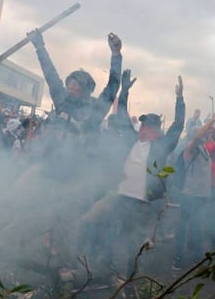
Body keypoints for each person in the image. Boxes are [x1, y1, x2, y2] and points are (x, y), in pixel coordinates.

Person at [78, 73, 185, 279]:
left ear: (157, 132)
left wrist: (179, 99)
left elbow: (178, 126)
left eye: (149, 127)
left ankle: (128, 279)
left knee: (131, 243)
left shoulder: (161, 147)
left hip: (142, 203)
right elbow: (122, 115)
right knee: (92, 220)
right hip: (119, 196)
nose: (144, 129)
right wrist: (125, 90)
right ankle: (104, 263)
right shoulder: (131, 141)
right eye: (143, 125)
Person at [26, 29, 122, 147]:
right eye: (70, 83)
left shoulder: (95, 109)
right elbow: (50, 74)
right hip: (53, 161)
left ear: (86, 91)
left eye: (76, 84)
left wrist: (116, 55)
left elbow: (113, 86)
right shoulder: (62, 101)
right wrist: (40, 47)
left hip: (81, 163)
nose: (71, 86)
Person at [172, 111, 215, 270]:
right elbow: (198, 136)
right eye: (204, 133)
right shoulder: (191, 147)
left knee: (196, 227)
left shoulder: (204, 149)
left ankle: (195, 258)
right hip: (190, 195)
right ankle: (178, 259)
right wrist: (212, 119)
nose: (207, 134)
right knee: (184, 226)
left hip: (201, 196)